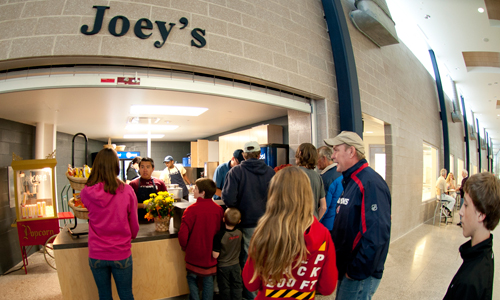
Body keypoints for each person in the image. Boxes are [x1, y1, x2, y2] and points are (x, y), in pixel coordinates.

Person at [242, 166, 338, 299]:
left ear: (274, 194)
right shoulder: (322, 234)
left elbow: (251, 283)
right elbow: (327, 287)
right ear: (307, 194)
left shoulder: (264, 232)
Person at [325, 131, 391, 300]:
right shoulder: (350, 181)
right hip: (348, 269)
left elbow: (376, 235)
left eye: (336, 150)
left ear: (351, 152)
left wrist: (354, 271)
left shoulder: (370, 183)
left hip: (358, 274)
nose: (332, 156)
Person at [80, 148, 140, 300]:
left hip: (96, 253)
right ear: (116, 166)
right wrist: (129, 236)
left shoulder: (86, 192)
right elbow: (134, 225)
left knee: (104, 295)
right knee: (126, 294)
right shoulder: (127, 191)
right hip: (121, 251)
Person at [222, 141, 275, 300]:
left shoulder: (235, 172)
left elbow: (229, 199)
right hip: (269, 224)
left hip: (247, 225)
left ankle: (252, 296)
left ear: (244, 155)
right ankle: (266, 294)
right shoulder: (271, 172)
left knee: (249, 262)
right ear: (260, 154)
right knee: (267, 260)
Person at [443, 172, 500, 300]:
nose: (461, 212)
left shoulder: (469, 282)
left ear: (481, 214)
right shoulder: (485, 253)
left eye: (466, 205)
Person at [178, 178, 224, 300]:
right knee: (208, 282)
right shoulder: (219, 210)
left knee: (191, 278)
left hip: (194, 254)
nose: (193, 189)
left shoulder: (191, 210)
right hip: (210, 255)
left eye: (196, 188)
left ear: (202, 192)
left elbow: (183, 235)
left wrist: (184, 247)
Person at [212, 208, 243, 300]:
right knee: (237, 286)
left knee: (225, 288)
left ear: (223, 219)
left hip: (223, 267)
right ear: (239, 221)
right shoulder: (240, 233)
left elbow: (215, 255)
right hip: (236, 265)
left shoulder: (220, 235)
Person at [129, 157, 167, 223]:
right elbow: (129, 205)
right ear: (139, 168)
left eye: (148, 167)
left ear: (153, 169)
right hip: (138, 222)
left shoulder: (160, 183)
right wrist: (145, 205)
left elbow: (166, 203)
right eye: (142, 167)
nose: (145, 170)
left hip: (157, 222)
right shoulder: (133, 184)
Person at [295, 143, 327, 220]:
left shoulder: (293, 174)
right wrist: (316, 221)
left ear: (300, 153)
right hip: (312, 222)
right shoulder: (318, 176)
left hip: (296, 223)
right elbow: (323, 207)